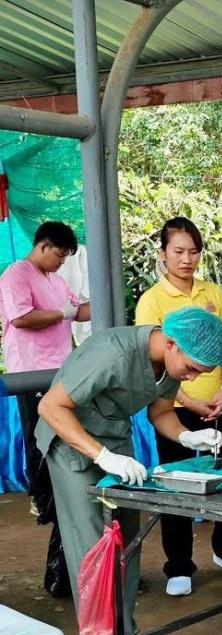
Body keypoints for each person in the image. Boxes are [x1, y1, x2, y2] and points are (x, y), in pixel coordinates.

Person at [36, 307, 222, 635]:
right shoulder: (112, 352)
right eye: (192, 368)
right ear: (172, 343)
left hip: (114, 443)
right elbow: (51, 407)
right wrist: (101, 456)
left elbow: (162, 412)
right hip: (73, 446)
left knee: (126, 542)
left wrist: (187, 436)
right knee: (94, 550)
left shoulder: (170, 363)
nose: (193, 377)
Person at [135, 217, 222, 597]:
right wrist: (189, 401)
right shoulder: (152, 300)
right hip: (174, 408)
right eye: (178, 251)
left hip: (219, 405)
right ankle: (179, 564)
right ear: (163, 253)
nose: (186, 259)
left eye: (193, 251)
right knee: (175, 484)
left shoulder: (212, 292)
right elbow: (155, 361)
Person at [0, 221, 90, 598]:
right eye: (59, 255)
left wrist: (100, 303)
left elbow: (77, 311)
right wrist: (61, 314)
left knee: (64, 446)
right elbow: (21, 317)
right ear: (42, 246)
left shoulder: (54, 279)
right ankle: (43, 499)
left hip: (62, 373)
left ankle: (55, 503)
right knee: (43, 444)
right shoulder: (17, 274)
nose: (61, 262)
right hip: (33, 375)